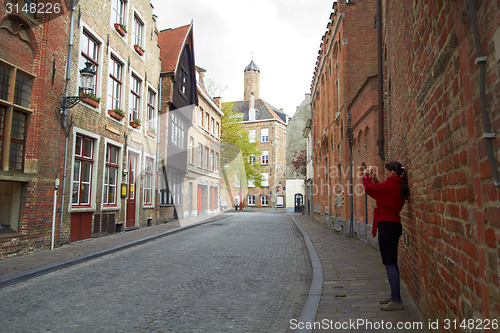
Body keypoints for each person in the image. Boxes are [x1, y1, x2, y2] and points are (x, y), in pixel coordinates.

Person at [363, 161, 409, 311]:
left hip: (387, 226)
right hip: (394, 224)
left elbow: (370, 189)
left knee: (389, 263)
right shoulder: (397, 185)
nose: (386, 173)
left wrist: (366, 177)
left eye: (388, 171)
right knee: (392, 263)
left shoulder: (391, 185)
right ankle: (394, 295)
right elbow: (382, 193)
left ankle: (396, 300)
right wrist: (376, 181)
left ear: (393, 172)